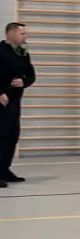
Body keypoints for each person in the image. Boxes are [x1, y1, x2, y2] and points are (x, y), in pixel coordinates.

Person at [0, 22, 35, 188]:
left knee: (12, 135)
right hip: (1, 100)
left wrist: (24, 81)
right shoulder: (0, 50)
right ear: (11, 34)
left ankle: (4, 170)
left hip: (14, 101)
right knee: (1, 136)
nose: (25, 36)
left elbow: (31, 75)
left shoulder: (23, 53)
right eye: (22, 33)